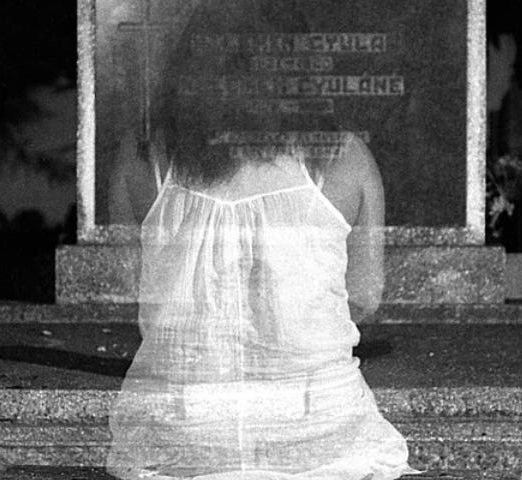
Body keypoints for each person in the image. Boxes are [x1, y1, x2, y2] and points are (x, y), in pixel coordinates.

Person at [104, 3, 415, 478]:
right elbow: (365, 298)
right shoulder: (345, 157)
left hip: (181, 436)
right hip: (316, 434)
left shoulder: (143, 155)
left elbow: (133, 289)